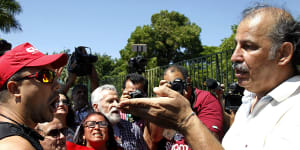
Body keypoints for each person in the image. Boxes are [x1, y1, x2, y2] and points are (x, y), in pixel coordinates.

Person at [118, 4, 300, 150]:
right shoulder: (249, 99)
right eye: (236, 45)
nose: (234, 56)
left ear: (283, 53)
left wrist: (186, 121)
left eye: (249, 46)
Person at [0, 42, 68, 149]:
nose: (57, 85)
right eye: (46, 76)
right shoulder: (15, 146)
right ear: (15, 89)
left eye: (54, 76)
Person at [149, 65, 223, 149]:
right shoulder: (165, 101)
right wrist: (160, 100)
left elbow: (210, 141)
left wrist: (182, 108)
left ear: (188, 81)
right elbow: (155, 137)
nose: (175, 89)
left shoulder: (206, 99)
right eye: (170, 85)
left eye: (177, 84)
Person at [91, 84, 148, 150]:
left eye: (117, 101)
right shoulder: (86, 130)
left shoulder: (133, 129)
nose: (116, 105)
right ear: (96, 107)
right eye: (110, 101)